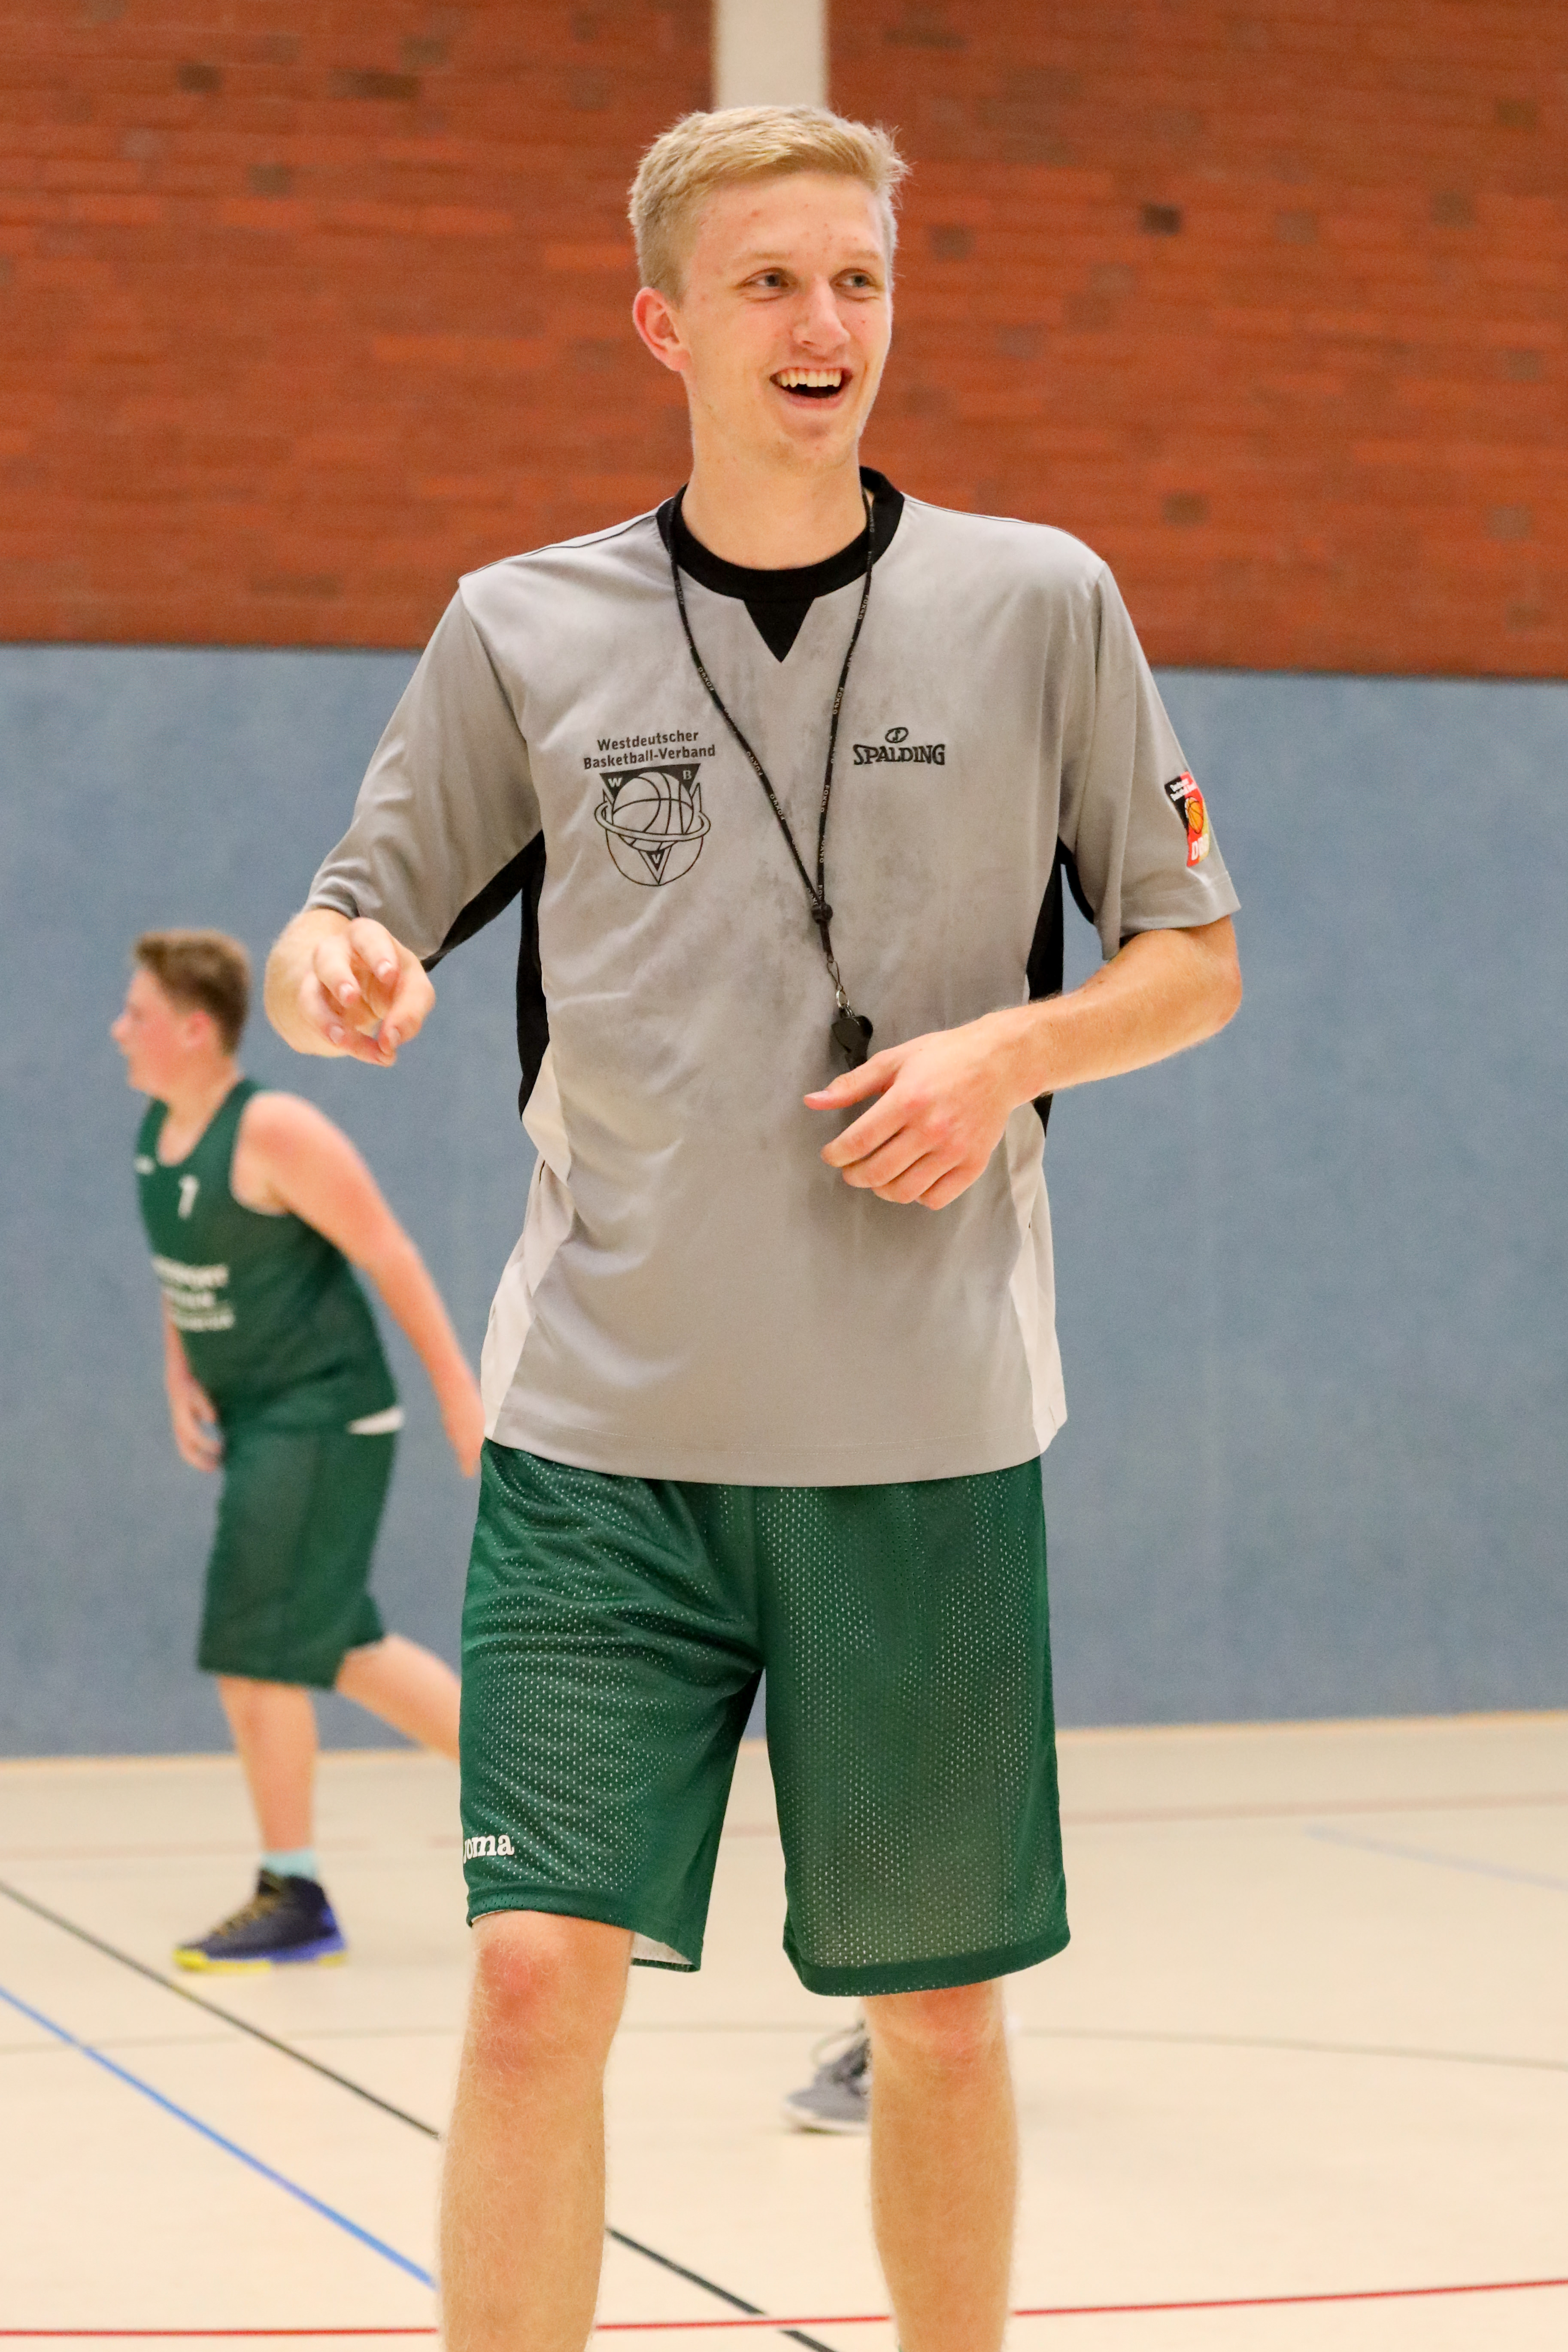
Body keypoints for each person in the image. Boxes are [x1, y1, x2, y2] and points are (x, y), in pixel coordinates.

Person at [264, 105, 1241, 2352]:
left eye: (857, 278)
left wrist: (1008, 1054)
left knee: (941, 2020)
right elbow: (347, 914)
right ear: (664, 323)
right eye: (771, 281)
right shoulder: (522, 625)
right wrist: (341, 968)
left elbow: (1193, 959)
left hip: (921, 1441)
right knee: (530, 1985)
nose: (824, 323)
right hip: (602, 1444)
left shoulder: (1040, 602)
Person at [114, 929, 484, 1970]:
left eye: (138, 1013)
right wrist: (180, 1371)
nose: (119, 1029)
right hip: (257, 1418)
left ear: (195, 1029)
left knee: (254, 1647)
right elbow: (180, 1267)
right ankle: (562, 1807)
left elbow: (391, 1253)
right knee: (343, 1648)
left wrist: (460, 1396)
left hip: (323, 1416)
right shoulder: (158, 1133)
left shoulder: (274, 1128)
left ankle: (296, 1891)